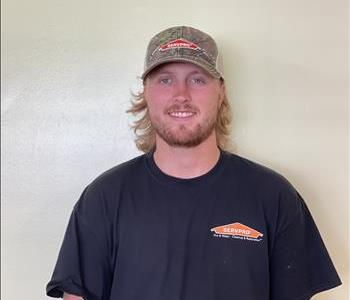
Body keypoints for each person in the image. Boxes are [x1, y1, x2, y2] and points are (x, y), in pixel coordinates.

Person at [46, 26, 341, 300]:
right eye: (165, 80)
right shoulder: (103, 199)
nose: (181, 95)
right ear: (146, 91)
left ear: (221, 91)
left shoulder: (275, 197)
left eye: (197, 79)